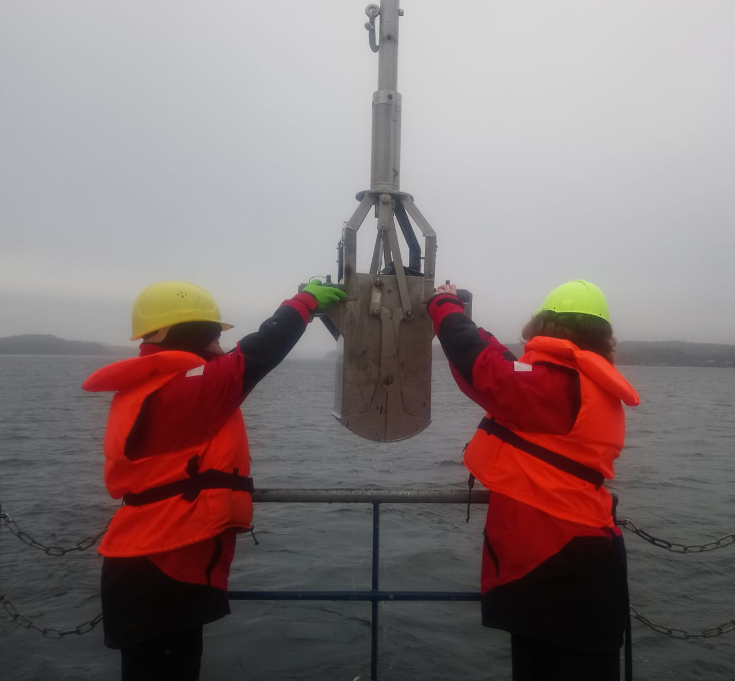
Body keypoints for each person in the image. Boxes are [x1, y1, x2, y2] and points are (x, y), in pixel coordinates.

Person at [83, 279, 345, 681]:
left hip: (151, 559)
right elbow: (256, 355)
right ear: (194, 335)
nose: (221, 348)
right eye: (214, 336)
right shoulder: (184, 391)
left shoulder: (155, 386)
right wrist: (304, 304)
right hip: (162, 565)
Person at [428, 279, 640, 681]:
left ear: (546, 325)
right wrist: (463, 320)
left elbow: (489, 373)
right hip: (574, 566)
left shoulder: (558, 385)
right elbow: (499, 365)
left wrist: (442, 306)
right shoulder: (573, 382)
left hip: (558, 569)